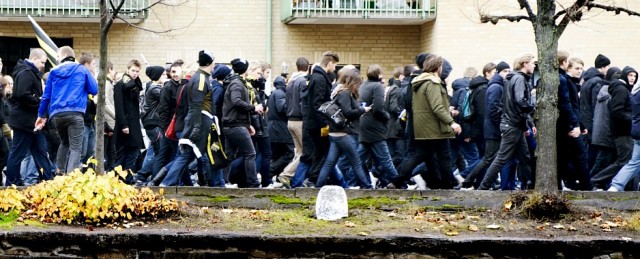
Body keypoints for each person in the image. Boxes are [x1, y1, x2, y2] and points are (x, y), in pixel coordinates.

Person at [390, 55, 461, 189]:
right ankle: (448, 186)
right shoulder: (433, 83)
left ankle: (396, 181)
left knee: (418, 155)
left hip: (422, 127)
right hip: (436, 128)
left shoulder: (417, 82)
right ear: (439, 68)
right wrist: (452, 123)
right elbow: (437, 107)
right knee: (444, 157)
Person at [478, 54, 537, 190]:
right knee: (501, 158)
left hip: (515, 125)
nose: (534, 66)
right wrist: (533, 109)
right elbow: (520, 100)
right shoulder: (519, 79)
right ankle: (483, 188)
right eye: (533, 63)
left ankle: (529, 186)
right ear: (524, 64)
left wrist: (529, 123)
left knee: (525, 157)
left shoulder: (512, 79)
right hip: (513, 125)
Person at [160, 50, 216, 186]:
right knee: (191, 155)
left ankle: (167, 182)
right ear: (209, 63)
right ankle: (167, 183)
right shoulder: (201, 79)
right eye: (214, 63)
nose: (214, 66)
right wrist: (196, 127)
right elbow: (196, 105)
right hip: (200, 120)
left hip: (198, 119)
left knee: (188, 155)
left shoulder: (200, 77)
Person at [316, 69, 372, 188]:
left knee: (330, 163)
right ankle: (367, 187)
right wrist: (363, 110)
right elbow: (347, 112)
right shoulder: (345, 93)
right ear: (353, 82)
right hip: (344, 133)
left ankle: (318, 187)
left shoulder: (338, 91)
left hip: (335, 133)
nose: (359, 85)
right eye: (358, 83)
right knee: (356, 162)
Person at [6, 48, 53, 185]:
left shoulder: (27, 72)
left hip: (32, 122)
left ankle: (47, 180)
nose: (43, 66)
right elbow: (21, 94)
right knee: (18, 154)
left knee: (40, 153)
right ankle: (12, 183)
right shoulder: (26, 73)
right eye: (42, 62)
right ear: (34, 59)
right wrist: (38, 101)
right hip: (25, 122)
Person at [591, 66, 633, 190]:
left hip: (615, 132)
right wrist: (633, 118)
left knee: (623, 161)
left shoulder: (618, 89)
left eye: (635, 76)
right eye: (630, 75)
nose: (633, 78)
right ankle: (598, 181)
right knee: (623, 161)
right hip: (620, 132)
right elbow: (617, 112)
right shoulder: (621, 90)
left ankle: (612, 184)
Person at [222, 58, 262, 188]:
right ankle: (253, 183)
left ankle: (223, 182)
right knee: (250, 154)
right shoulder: (237, 84)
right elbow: (236, 101)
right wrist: (254, 108)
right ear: (245, 69)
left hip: (234, 124)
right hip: (235, 125)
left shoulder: (236, 82)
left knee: (229, 155)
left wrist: (247, 124)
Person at [357, 64, 397, 186]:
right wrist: (387, 117)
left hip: (363, 125)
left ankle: (363, 183)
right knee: (386, 159)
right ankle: (399, 183)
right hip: (375, 128)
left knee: (358, 159)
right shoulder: (377, 87)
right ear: (379, 75)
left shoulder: (363, 85)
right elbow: (379, 109)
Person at [303, 51, 340, 186]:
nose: (335, 68)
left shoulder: (316, 77)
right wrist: (325, 123)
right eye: (335, 65)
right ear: (329, 63)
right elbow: (317, 104)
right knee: (326, 152)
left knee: (319, 152)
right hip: (319, 124)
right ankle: (313, 178)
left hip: (314, 123)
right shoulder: (320, 79)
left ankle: (312, 178)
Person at [556, 53, 589, 190]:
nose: (580, 71)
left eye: (581, 68)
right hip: (569, 126)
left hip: (572, 125)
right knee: (579, 157)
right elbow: (567, 105)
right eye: (577, 68)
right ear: (567, 67)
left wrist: (580, 125)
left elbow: (574, 107)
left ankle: (574, 185)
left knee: (567, 158)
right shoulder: (566, 81)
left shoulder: (571, 82)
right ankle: (585, 187)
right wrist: (574, 125)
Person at [134, 65, 166, 185]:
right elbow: (167, 97)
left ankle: (141, 176)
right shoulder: (154, 89)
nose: (165, 76)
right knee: (159, 153)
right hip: (153, 124)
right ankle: (144, 177)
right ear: (157, 76)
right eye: (163, 74)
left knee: (153, 152)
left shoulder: (152, 87)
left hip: (152, 124)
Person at [281, 57, 309, 187]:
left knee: (298, 152)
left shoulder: (291, 82)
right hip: (300, 121)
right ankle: (286, 174)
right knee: (305, 153)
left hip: (290, 120)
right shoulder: (303, 82)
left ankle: (295, 178)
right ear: (307, 67)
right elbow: (304, 102)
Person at [114, 59, 144, 176]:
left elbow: (139, 89)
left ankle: (127, 177)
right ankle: (121, 178)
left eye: (137, 71)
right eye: (133, 70)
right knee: (123, 154)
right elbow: (119, 107)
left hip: (133, 124)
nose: (135, 73)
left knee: (133, 152)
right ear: (127, 69)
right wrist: (124, 124)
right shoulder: (121, 85)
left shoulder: (133, 86)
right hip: (126, 124)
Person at [267, 76, 293, 187]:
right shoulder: (280, 93)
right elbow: (282, 107)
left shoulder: (274, 93)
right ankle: (270, 172)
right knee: (289, 153)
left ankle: (277, 178)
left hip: (273, 128)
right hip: (280, 129)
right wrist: (293, 103)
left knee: (278, 154)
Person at [79, 53, 98, 164]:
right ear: (87, 64)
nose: (94, 67)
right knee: (82, 151)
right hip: (83, 121)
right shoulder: (81, 78)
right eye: (93, 64)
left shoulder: (90, 78)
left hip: (90, 121)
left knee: (90, 152)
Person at [104, 61, 117, 171]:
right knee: (109, 151)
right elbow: (106, 102)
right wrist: (115, 116)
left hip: (108, 121)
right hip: (108, 122)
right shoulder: (107, 84)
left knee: (110, 150)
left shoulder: (108, 83)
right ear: (110, 70)